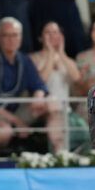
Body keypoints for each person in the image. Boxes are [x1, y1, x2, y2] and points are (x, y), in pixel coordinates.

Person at [0, 17, 48, 151]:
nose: (11, 39)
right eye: (6, 35)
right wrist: (18, 122)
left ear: (20, 37)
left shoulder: (24, 60)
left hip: (16, 110)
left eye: (15, 35)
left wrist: (38, 96)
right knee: (4, 131)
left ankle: (58, 155)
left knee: (51, 103)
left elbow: (39, 85)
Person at [30, 21, 81, 152]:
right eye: (48, 32)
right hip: (43, 109)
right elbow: (41, 80)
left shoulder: (68, 59)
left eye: (56, 32)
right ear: (41, 37)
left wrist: (61, 53)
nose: (52, 35)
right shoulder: (34, 58)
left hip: (66, 109)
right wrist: (51, 54)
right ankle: (58, 155)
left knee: (84, 134)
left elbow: (77, 78)